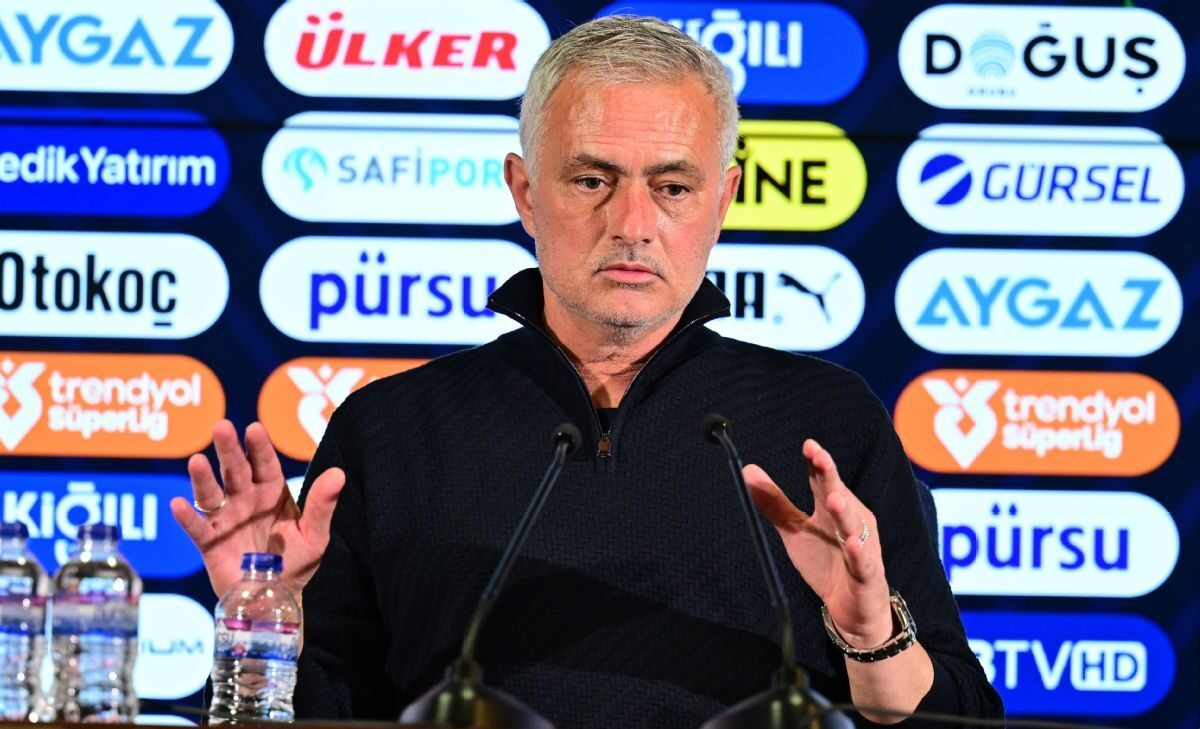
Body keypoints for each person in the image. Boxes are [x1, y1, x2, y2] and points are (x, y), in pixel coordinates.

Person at [171, 16, 1003, 729]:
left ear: (722, 200)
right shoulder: (391, 427)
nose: (632, 223)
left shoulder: (826, 421)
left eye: (672, 186)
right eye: (592, 179)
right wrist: (264, 620)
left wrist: (871, 638)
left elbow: (961, 713)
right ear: (526, 192)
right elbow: (322, 711)